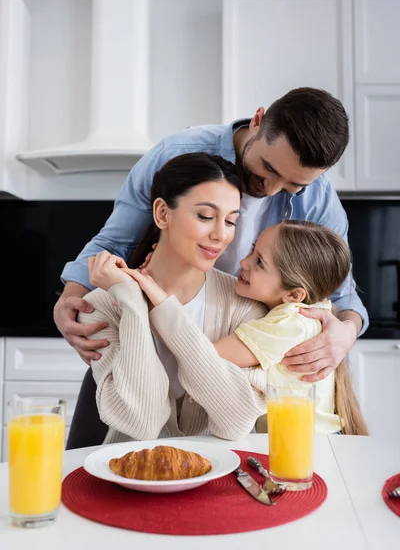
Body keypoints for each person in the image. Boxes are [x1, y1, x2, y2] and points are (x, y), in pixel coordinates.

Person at [55, 87, 369, 385]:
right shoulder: (176, 154)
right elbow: (115, 241)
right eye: (268, 169)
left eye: (292, 186)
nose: (271, 189)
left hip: (244, 346)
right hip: (153, 329)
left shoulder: (318, 196)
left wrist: (347, 332)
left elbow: (340, 291)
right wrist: (70, 298)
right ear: (257, 122)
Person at [77, 153, 268, 443]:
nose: (220, 234)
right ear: (163, 214)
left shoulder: (245, 305)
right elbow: (141, 424)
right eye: (205, 216)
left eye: (230, 222)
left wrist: (165, 311)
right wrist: (133, 303)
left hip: (217, 477)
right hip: (131, 477)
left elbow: (237, 421)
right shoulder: (103, 304)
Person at [127, 220, 368, 436]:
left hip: (304, 448)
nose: (244, 262)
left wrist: (157, 295)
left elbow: (202, 357)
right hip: (310, 441)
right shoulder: (312, 312)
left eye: (260, 262)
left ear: (294, 294)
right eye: (253, 250)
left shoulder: (287, 324)